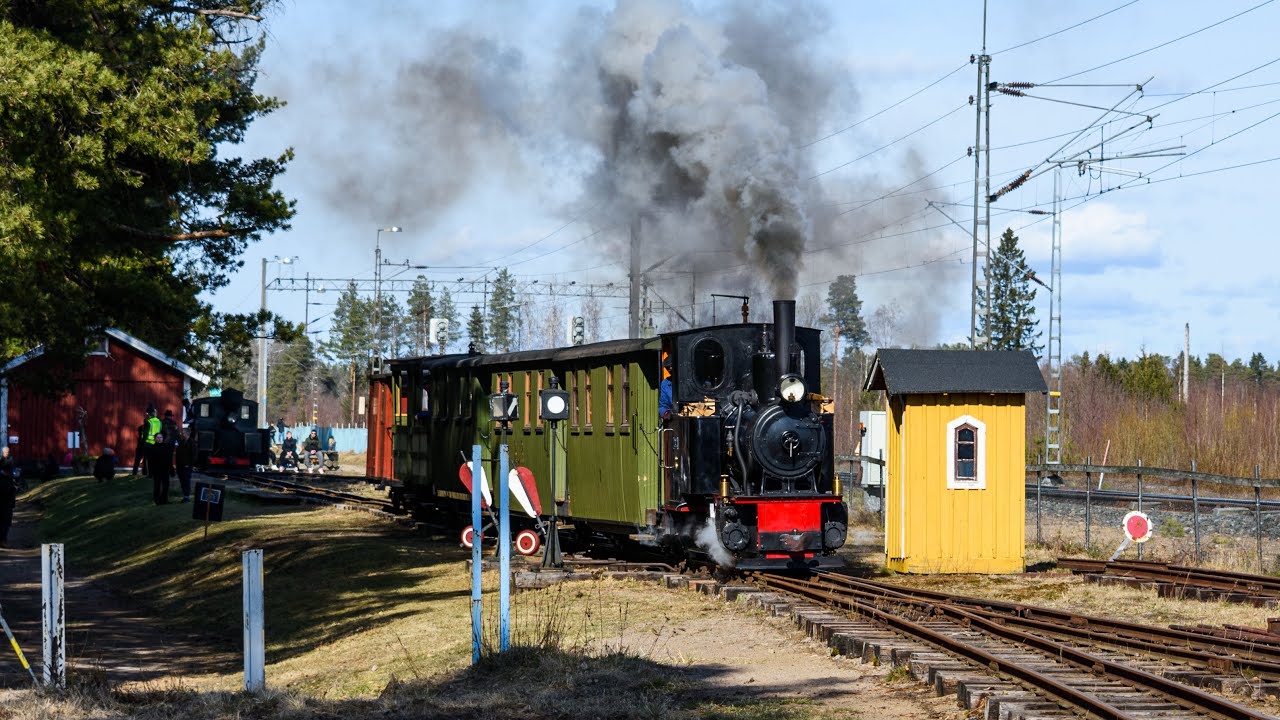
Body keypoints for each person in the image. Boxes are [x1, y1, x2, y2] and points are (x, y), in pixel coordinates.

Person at [148, 429, 173, 505]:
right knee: (157, 486)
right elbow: (150, 461)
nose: (159, 439)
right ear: (155, 439)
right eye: (158, 437)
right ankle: (157, 501)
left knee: (166, 486)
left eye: (161, 437)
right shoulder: (152, 448)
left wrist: (171, 469)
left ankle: (164, 500)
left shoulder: (166, 447)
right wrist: (150, 472)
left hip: (165, 470)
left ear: (163, 438)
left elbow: (169, 459)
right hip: (156, 471)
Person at [0, 446, 16, 547]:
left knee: (5, 521)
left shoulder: (10, 460)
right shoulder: (9, 480)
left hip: (7, 503)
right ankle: (2, 540)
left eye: (7, 452)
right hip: (5, 503)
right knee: (5, 521)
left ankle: (3, 540)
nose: (6, 453)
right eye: (4, 452)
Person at [174, 429, 194, 502]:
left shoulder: (192, 442)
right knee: (182, 480)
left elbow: (193, 455)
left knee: (186, 481)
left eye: (183, 433)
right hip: (180, 465)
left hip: (187, 466)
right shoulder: (182, 442)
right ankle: (184, 496)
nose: (182, 434)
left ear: (187, 434)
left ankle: (187, 496)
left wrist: (188, 464)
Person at [658, 356, 674, 421]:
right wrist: (666, 413)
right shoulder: (665, 383)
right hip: (673, 419)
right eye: (668, 370)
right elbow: (662, 405)